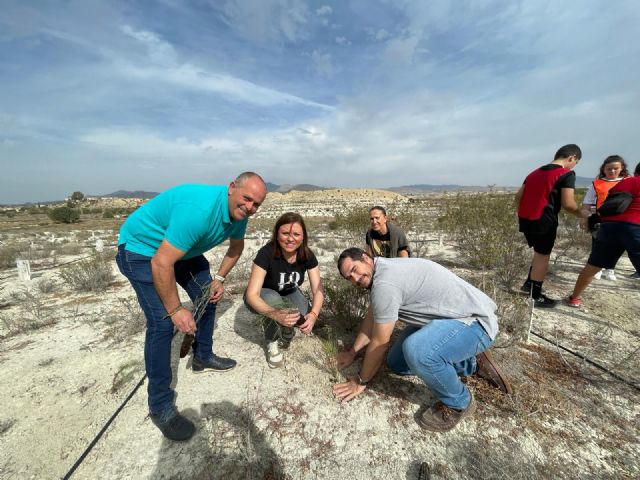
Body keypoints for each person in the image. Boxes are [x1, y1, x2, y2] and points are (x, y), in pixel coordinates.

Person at [115, 172, 267, 441]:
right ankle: (159, 406)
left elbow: (236, 247)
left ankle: (202, 356)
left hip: (182, 250)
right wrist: (175, 310)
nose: (250, 207)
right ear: (232, 188)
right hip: (141, 250)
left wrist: (219, 279)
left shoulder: (238, 215)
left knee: (209, 295)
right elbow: (161, 263)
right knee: (162, 323)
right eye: (246, 199)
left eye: (257, 204)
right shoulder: (198, 212)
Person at [332, 248, 512, 432]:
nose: (355, 279)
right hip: (449, 320)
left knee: (417, 352)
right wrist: (352, 352)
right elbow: (373, 316)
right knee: (397, 362)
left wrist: (360, 381)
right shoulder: (383, 270)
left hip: (476, 323)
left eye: (354, 269)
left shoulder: (385, 283)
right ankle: (472, 362)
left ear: (366, 258)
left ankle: (460, 402)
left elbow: (379, 342)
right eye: (349, 278)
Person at [244, 212, 324, 368]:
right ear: (277, 234)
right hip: (264, 293)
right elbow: (252, 295)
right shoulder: (266, 253)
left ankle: (286, 330)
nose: (290, 238)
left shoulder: (307, 255)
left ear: (303, 237)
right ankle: (272, 342)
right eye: (285, 233)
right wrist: (275, 314)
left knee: (304, 312)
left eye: (296, 234)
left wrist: (313, 315)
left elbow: (318, 289)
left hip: (288, 291)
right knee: (273, 301)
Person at [515, 144, 587, 308]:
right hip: (544, 221)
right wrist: (582, 213)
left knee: (538, 252)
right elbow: (568, 204)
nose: (574, 165)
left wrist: (522, 213)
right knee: (542, 256)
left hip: (526, 219)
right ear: (572, 158)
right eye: (575, 162)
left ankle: (529, 283)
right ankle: (536, 296)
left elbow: (518, 196)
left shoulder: (534, 173)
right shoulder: (566, 174)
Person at [567, 161, 640, 307]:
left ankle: (574, 298)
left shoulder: (623, 183)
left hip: (609, 228)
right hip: (636, 229)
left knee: (592, 266)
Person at [580, 155, 630, 281]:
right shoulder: (596, 184)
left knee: (617, 246)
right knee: (597, 244)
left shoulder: (628, 182)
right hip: (600, 218)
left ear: (621, 168)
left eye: (615, 168)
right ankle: (597, 268)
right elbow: (587, 203)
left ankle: (610, 269)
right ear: (603, 169)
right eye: (609, 169)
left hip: (622, 219)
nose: (612, 171)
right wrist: (584, 218)